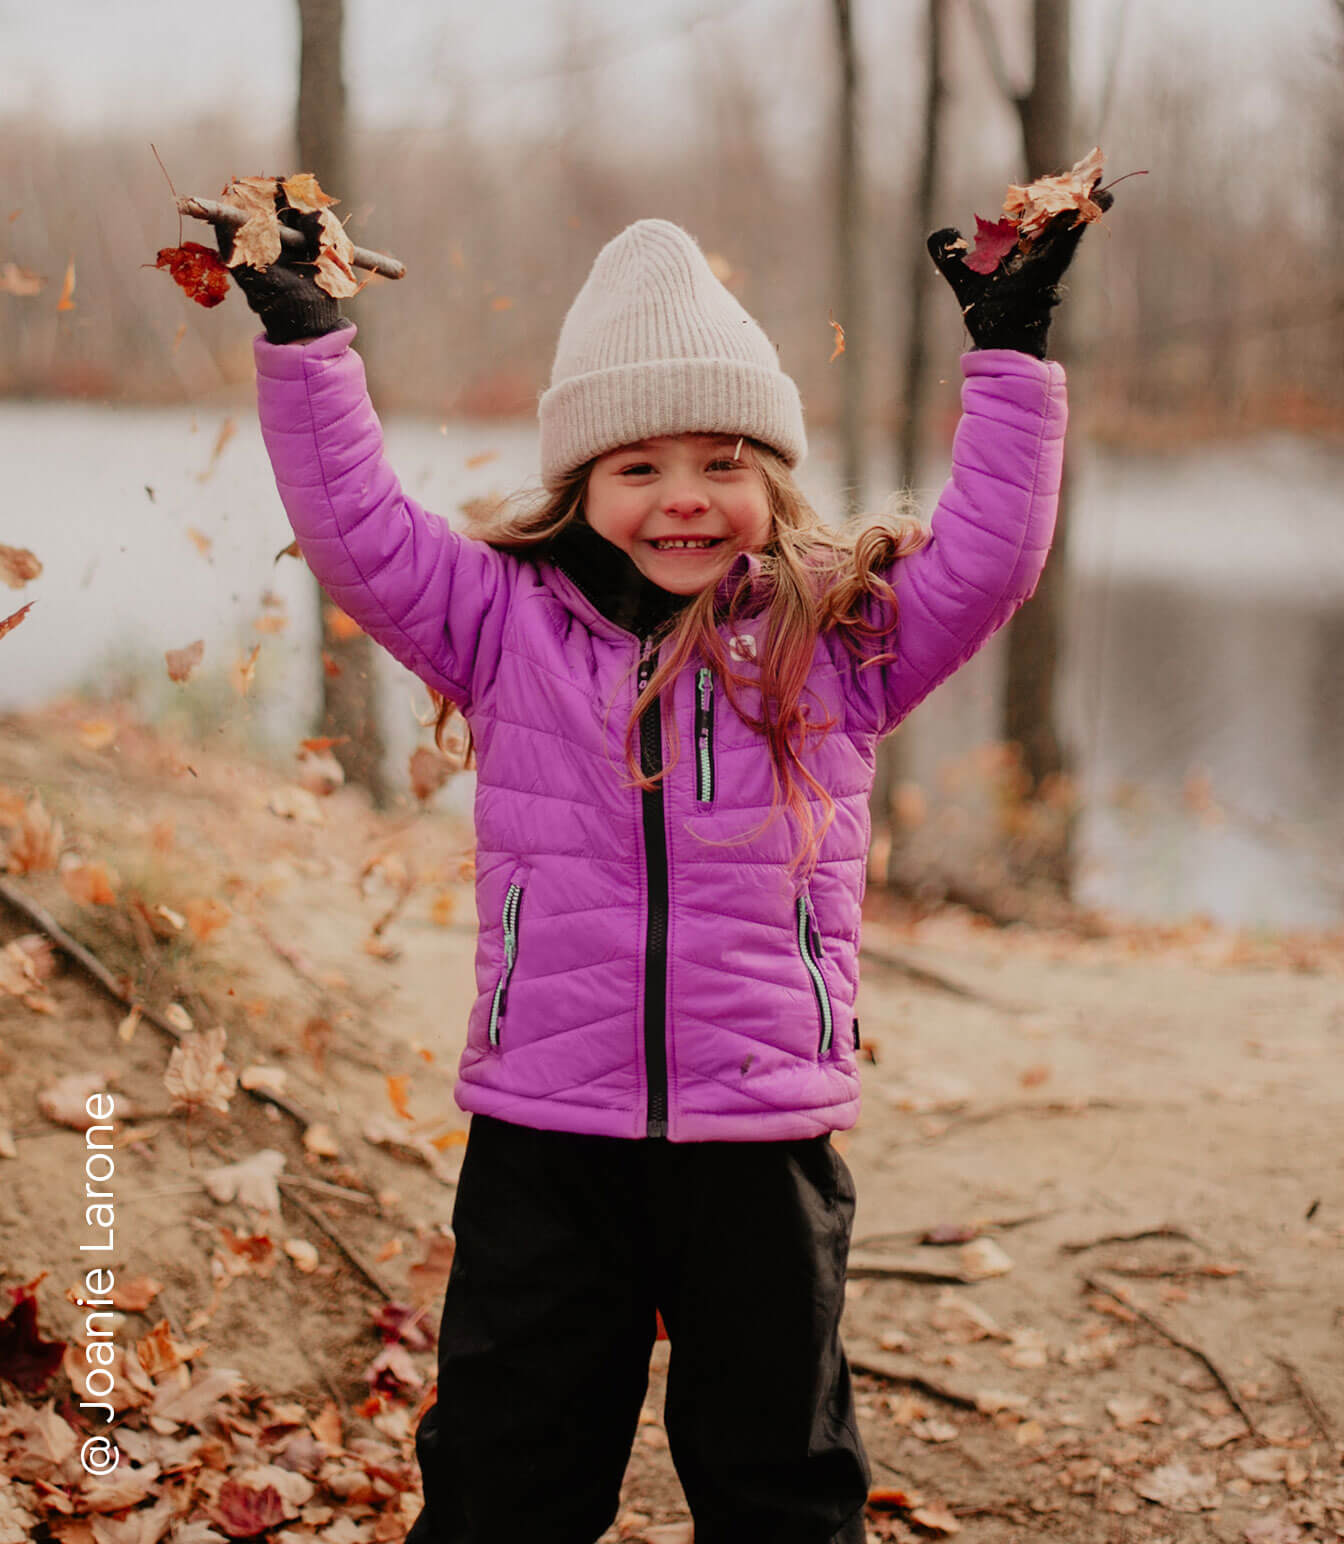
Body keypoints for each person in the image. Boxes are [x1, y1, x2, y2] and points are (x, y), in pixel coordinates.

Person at [216, 188, 1110, 1544]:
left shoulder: (835, 642)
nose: (683, 498)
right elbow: (358, 528)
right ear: (582, 487)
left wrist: (1014, 349)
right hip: (545, 1133)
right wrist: (307, 339)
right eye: (639, 467)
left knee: (779, 1475)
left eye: (720, 463)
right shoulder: (496, 623)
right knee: (507, 1471)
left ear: (771, 480)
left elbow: (990, 559)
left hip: (762, 1138)